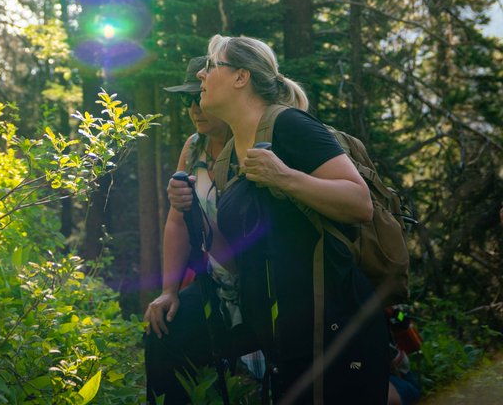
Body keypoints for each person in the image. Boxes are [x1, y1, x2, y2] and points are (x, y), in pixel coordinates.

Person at [169, 35, 389, 405]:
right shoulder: (229, 155)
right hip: (282, 338)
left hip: (333, 330)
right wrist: (191, 211)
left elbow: (359, 202)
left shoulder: (290, 125)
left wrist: (284, 177)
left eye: (212, 65)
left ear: (241, 77)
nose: (202, 75)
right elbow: (234, 258)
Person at [144, 56, 259, 404]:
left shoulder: (252, 139)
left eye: (200, 95)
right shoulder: (193, 147)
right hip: (217, 283)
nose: (194, 107)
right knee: (162, 330)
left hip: (264, 283)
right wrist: (169, 290)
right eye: (186, 100)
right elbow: (176, 222)